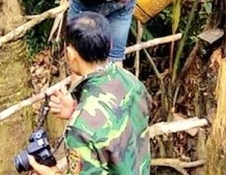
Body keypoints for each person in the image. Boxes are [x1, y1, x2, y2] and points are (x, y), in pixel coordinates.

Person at [28, 12, 151, 174]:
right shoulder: (132, 83)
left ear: (71, 54)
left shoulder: (80, 129)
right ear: (109, 44)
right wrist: (76, 110)